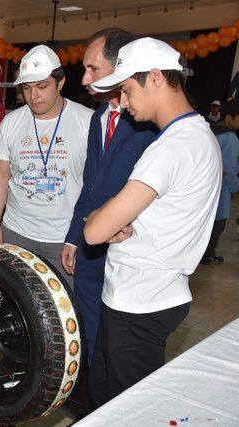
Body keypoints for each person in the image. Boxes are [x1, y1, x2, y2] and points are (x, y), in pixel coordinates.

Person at [85, 37, 222, 407]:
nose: (124, 103)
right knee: (107, 399)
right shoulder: (199, 135)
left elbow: (93, 231)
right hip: (155, 292)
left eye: (127, 90)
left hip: (140, 302)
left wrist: (103, 216)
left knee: (130, 409)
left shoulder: (171, 147)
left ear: (157, 77)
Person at [60, 28, 157, 363]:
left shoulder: (150, 124)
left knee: (119, 344)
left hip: (128, 249)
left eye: (93, 69)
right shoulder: (99, 116)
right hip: (90, 248)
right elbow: (90, 184)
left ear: (121, 68)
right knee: (88, 332)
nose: (85, 79)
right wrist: (74, 237)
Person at [0, 45, 92, 289]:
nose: (34, 96)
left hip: (65, 238)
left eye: (42, 86)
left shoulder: (87, 121)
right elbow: (0, 176)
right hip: (16, 232)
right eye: (27, 87)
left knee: (64, 312)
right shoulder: (11, 123)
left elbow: (94, 184)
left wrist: (79, 237)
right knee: (15, 308)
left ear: (61, 82)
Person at [200, 101, 239, 264]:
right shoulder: (230, 137)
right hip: (219, 188)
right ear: (229, 117)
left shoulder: (209, 130)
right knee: (218, 222)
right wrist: (235, 188)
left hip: (202, 186)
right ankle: (209, 254)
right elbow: (230, 169)